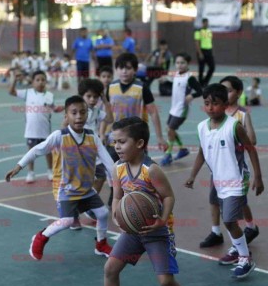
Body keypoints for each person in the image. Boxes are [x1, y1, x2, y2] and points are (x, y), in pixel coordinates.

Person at [88, 117, 190, 286]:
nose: (116, 147)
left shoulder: (151, 170)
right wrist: (117, 215)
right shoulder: (118, 168)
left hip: (157, 231)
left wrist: (162, 219)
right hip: (132, 232)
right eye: (115, 142)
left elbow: (169, 196)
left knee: (165, 281)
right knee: (110, 269)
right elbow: (117, 197)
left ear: (140, 143)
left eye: (122, 142)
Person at [5, 96, 116, 260]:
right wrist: (19, 166)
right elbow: (37, 150)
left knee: (102, 213)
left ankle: (101, 245)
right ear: (66, 116)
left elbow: (108, 162)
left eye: (82, 112)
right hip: (66, 189)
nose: (78, 116)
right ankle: (41, 237)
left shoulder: (93, 137)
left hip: (86, 189)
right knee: (67, 221)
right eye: (74, 113)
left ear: (87, 115)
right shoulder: (59, 136)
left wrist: (120, 180)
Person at [185, 84, 264, 279]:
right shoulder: (201, 127)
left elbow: (250, 149)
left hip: (236, 179)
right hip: (219, 180)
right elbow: (203, 152)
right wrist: (192, 175)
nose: (210, 107)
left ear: (225, 104)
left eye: (215, 104)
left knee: (229, 220)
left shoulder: (234, 126)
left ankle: (245, 258)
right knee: (228, 220)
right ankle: (239, 250)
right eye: (206, 103)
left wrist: (258, 176)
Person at [199, 75, 259, 251]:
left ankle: (250, 227)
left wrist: (238, 136)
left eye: (229, 90)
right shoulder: (216, 113)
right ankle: (216, 232)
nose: (225, 93)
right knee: (214, 199)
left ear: (238, 93)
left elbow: (252, 141)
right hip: (217, 168)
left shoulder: (241, 115)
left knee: (239, 202)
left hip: (234, 169)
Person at [101, 53, 168, 207]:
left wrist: (159, 137)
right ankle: (115, 195)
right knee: (115, 169)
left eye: (128, 68)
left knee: (141, 171)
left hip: (136, 136)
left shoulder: (141, 88)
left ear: (135, 70)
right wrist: (102, 132)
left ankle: (148, 199)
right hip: (115, 136)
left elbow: (153, 112)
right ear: (116, 69)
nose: (124, 71)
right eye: (120, 68)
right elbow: (106, 112)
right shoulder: (111, 87)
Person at [63, 78, 113, 226]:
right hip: (78, 153)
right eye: (89, 96)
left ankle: (89, 205)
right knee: (79, 185)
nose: (92, 100)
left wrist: (105, 100)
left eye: (95, 97)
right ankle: (73, 216)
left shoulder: (97, 111)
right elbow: (64, 127)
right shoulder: (78, 111)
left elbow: (110, 118)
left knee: (101, 176)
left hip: (93, 151)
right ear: (82, 96)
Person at [9, 70, 63, 183]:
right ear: (32, 82)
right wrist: (14, 80)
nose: (40, 82)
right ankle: (31, 173)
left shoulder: (49, 96)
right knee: (31, 153)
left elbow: (54, 108)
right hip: (31, 130)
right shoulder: (27, 93)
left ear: (46, 82)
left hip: (45, 130)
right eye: (37, 80)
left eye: (43, 80)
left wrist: (63, 107)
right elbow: (12, 92)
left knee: (48, 152)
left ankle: (50, 171)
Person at [160, 52, 202, 166]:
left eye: (182, 63)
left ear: (188, 63)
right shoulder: (177, 74)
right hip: (173, 108)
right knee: (169, 130)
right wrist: (166, 80)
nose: (179, 65)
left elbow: (200, 91)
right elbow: (176, 85)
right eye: (177, 62)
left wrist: (191, 96)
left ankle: (168, 155)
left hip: (182, 109)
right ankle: (183, 149)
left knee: (170, 130)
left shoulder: (190, 78)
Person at [194, 18, 215, 87]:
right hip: (202, 51)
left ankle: (205, 82)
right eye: (205, 23)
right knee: (201, 68)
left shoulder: (209, 31)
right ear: (202, 23)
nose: (206, 24)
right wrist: (200, 53)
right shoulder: (198, 31)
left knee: (212, 67)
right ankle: (200, 84)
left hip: (209, 51)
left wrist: (211, 50)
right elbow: (197, 43)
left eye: (207, 23)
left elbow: (209, 41)